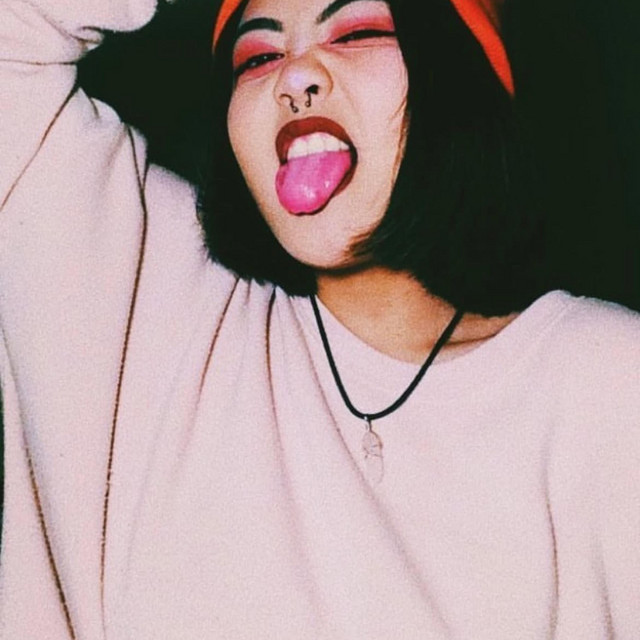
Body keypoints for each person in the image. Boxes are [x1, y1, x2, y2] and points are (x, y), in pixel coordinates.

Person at [0, 0, 639, 638]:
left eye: (357, 33)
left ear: (458, 71)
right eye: (258, 57)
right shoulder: (154, 294)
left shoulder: (605, 383)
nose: (295, 76)